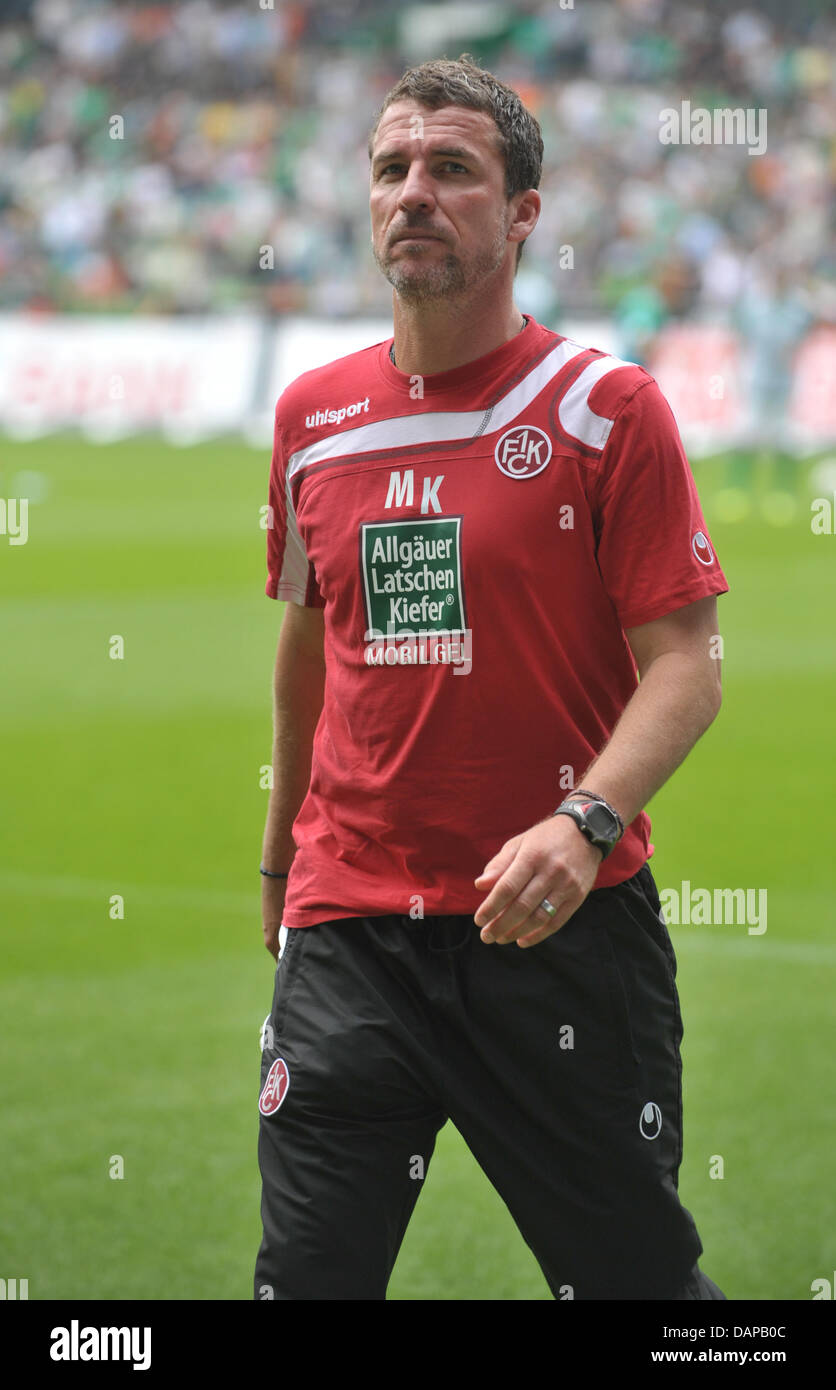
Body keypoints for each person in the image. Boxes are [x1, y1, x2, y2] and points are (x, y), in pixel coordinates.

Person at [253, 55, 728, 1302]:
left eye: (451, 169)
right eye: (391, 169)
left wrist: (584, 824)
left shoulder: (602, 408)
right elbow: (309, 655)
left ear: (521, 212)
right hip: (350, 933)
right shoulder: (312, 417)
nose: (413, 192)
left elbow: (685, 665)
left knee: (636, 1289)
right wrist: (278, 864)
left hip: (558, 933)